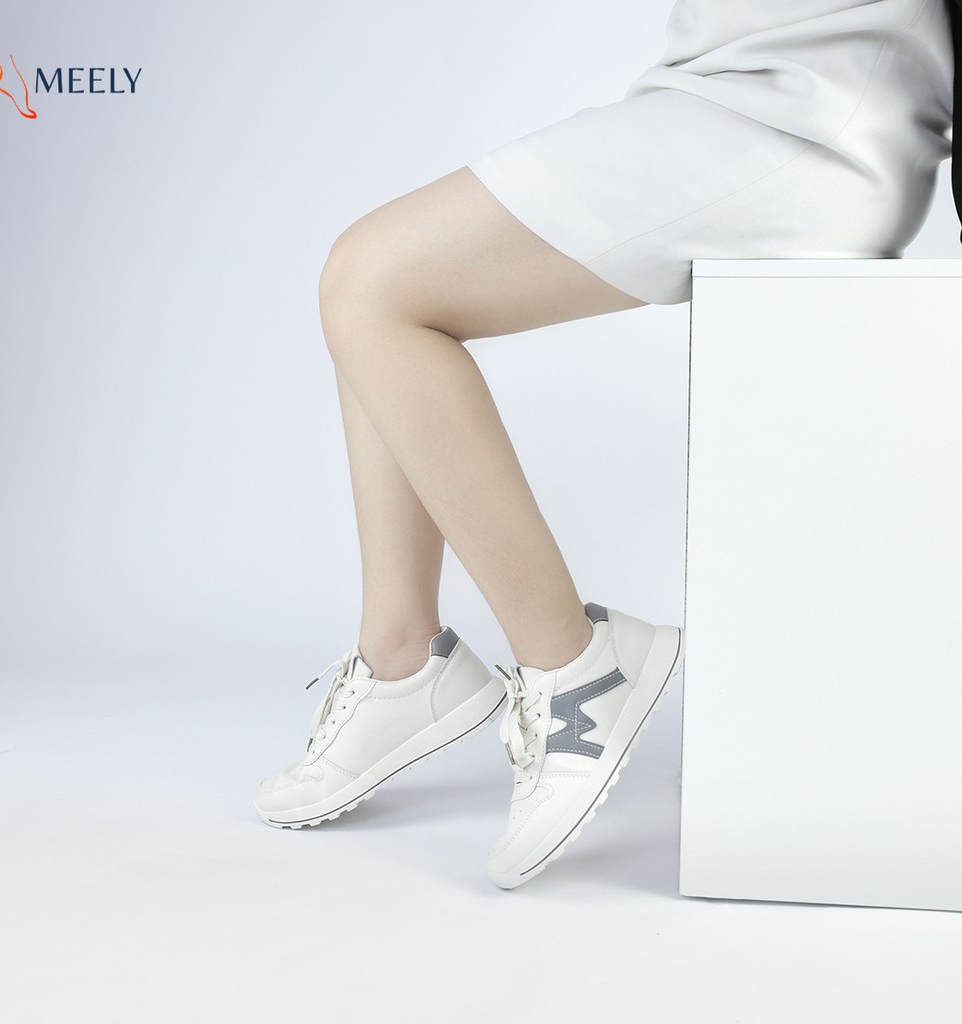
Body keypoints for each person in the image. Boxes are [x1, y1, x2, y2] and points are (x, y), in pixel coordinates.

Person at [252, 0, 955, 889]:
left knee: (376, 283)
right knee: (367, 282)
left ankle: (575, 665)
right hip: (741, 103)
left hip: (804, 129)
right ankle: (400, 656)